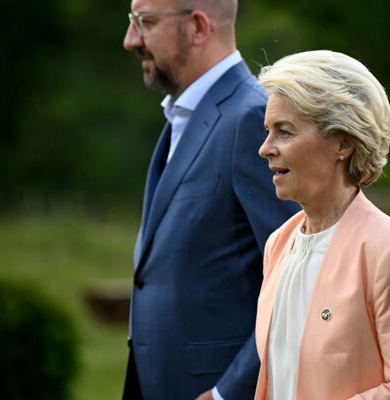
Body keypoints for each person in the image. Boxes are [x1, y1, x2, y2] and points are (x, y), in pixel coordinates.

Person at [121, 0, 299, 398]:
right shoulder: (184, 115)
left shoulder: (253, 119)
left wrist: (227, 393)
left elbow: (296, 280)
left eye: (145, 22)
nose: (131, 39)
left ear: (198, 27)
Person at [252, 50, 390, 400]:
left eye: (284, 131)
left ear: (343, 142)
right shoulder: (278, 245)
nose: (266, 148)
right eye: (268, 131)